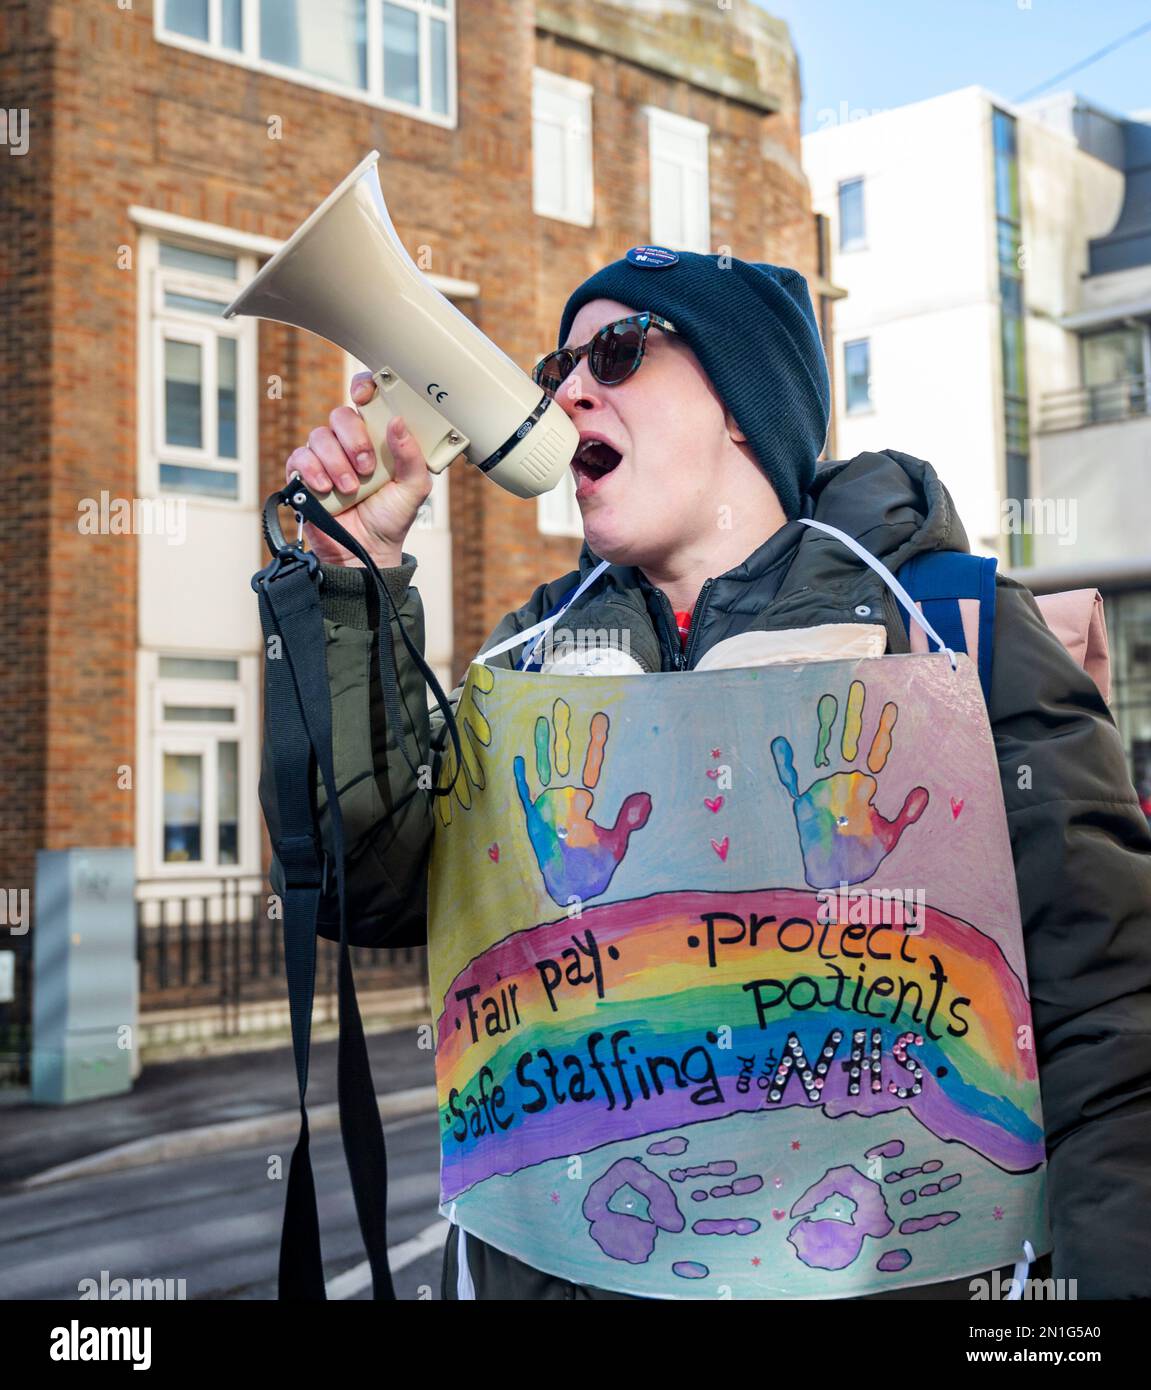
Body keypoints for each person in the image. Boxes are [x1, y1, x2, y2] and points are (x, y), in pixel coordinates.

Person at [266, 250, 1151, 1300]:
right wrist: (344, 578)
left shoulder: (946, 623)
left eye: (617, 351)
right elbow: (362, 880)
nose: (568, 390)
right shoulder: (525, 659)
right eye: (561, 366)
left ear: (740, 402)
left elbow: (1108, 1027)